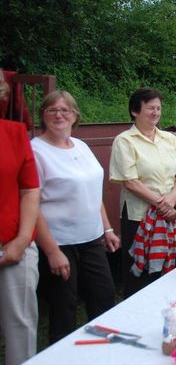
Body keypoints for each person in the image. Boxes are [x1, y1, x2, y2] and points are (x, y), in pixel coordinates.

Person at [31, 91, 120, 343]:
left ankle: (102, 353)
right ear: (43, 116)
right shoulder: (36, 151)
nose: (59, 115)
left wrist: (107, 229)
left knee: (103, 297)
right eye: (52, 110)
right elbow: (32, 206)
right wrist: (51, 252)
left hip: (92, 239)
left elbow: (92, 192)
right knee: (64, 308)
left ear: (75, 115)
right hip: (59, 242)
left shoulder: (81, 146)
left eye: (64, 110)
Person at [109, 87, 176, 298]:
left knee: (166, 266)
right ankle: (136, 313)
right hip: (139, 216)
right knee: (139, 271)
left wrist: (172, 199)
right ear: (135, 111)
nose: (155, 112)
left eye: (158, 108)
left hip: (168, 214)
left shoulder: (170, 139)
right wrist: (162, 204)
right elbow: (130, 181)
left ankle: (163, 306)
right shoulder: (125, 140)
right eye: (150, 108)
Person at [0, 74, 40, 365]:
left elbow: (29, 191)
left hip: (13, 246)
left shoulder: (13, 134)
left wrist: (22, 240)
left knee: (20, 329)